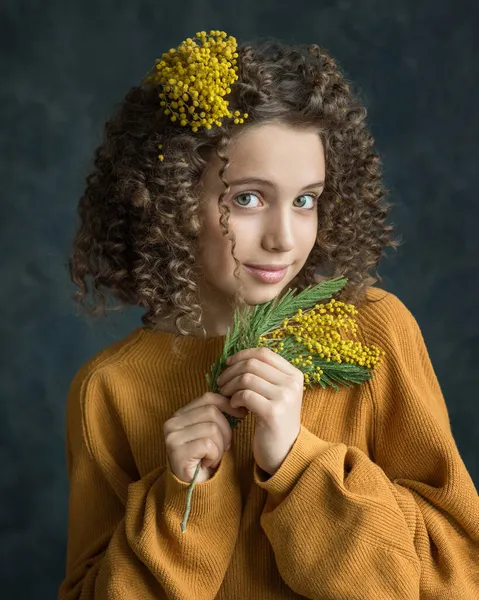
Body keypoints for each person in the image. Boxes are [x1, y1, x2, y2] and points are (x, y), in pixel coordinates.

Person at [58, 30, 479, 599]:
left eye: (306, 200)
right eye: (247, 198)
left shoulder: (373, 332)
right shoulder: (108, 392)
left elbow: (460, 573)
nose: (284, 238)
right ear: (171, 199)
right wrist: (179, 498)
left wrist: (298, 463)